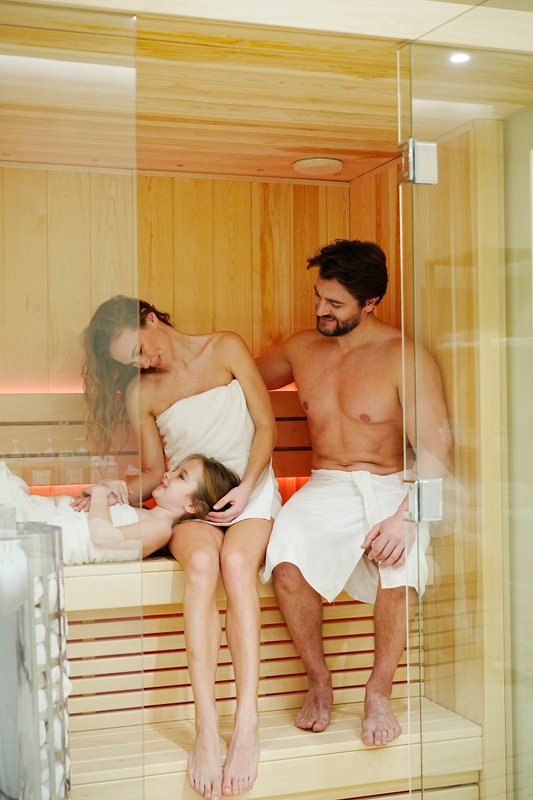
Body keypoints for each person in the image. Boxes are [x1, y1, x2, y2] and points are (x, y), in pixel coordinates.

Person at [80, 296, 281, 800]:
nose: (144, 363)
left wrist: (246, 489)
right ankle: (206, 726)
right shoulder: (142, 393)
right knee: (203, 562)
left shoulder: (226, 347)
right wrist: (112, 491)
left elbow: (266, 425)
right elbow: (154, 471)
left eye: (140, 349)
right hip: (191, 505)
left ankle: (248, 719)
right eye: (131, 361)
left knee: (238, 561)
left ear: (150, 319)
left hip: (250, 490)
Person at [256, 239, 452, 748]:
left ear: (370, 303)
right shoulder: (302, 349)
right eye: (318, 297)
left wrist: (407, 517)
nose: (321, 310)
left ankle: (378, 691)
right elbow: (239, 378)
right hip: (326, 484)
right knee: (285, 559)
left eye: (335, 304)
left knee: (402, 564)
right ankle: (319, 680)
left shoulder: (403, 357)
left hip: (391, 485)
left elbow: (437, 450)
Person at [84, 454, 240, 557]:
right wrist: (107, 486)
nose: (167, 474)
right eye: (174, 470)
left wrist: (100, 493)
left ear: (193, 506)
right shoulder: (142, 511)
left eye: (181, 476)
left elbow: (101, 537)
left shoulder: (161, 529)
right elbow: (85, 496)